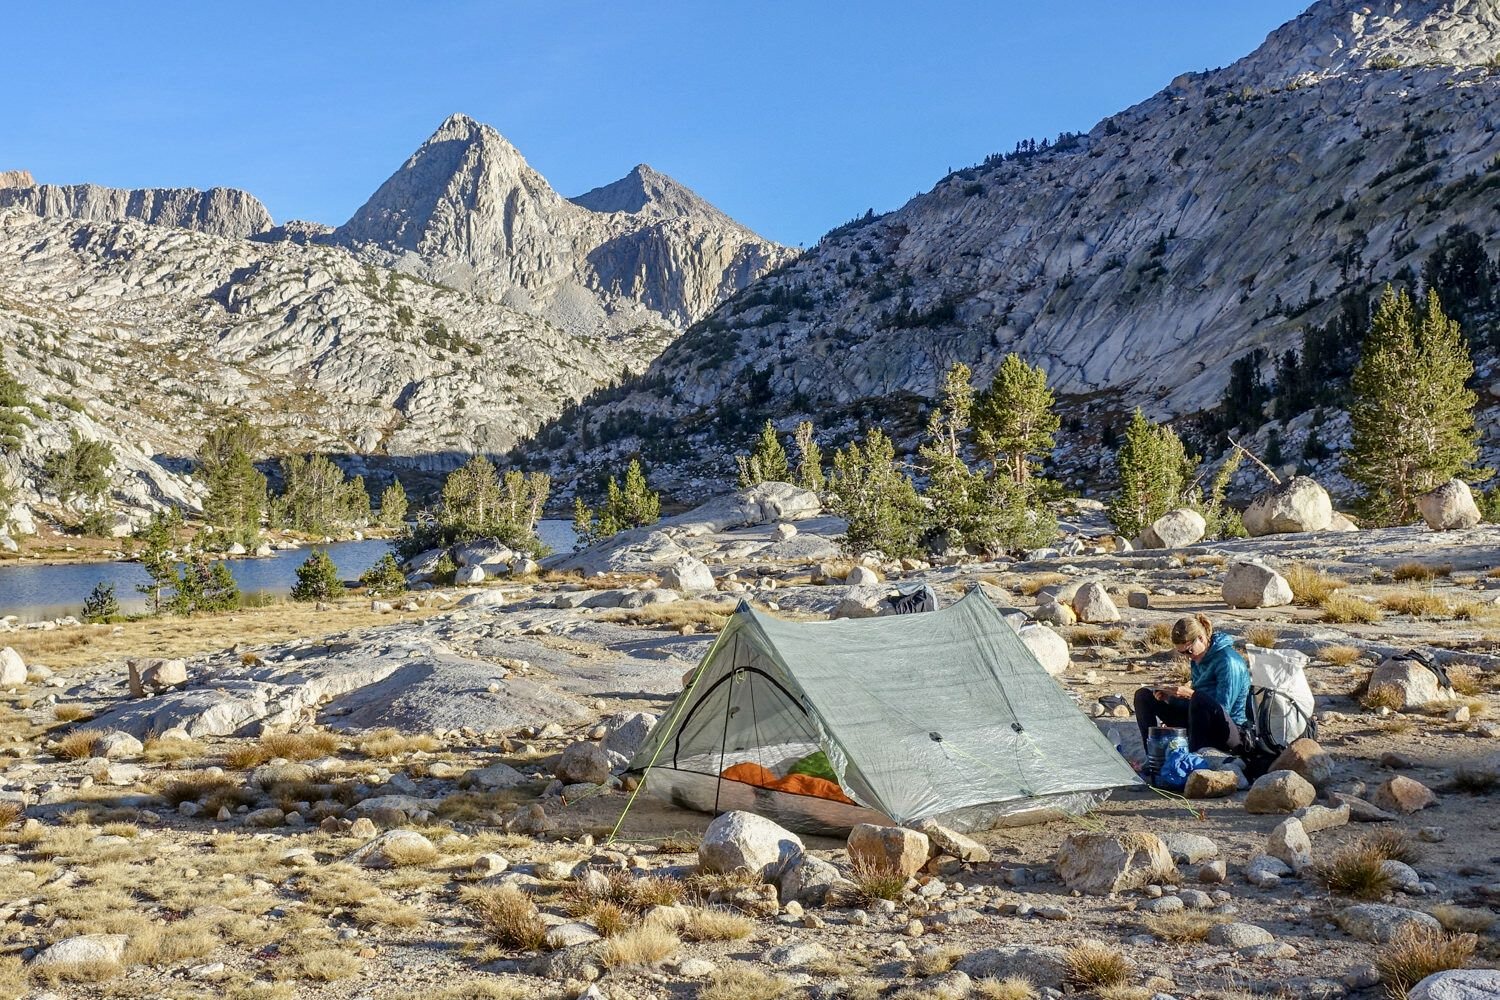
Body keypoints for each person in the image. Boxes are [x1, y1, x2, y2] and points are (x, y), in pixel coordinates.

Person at [1133, 613, 1249, 754]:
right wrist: (1170, 698)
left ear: (1201, 638)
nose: (1188, 657)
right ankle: (1152, 755)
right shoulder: (1197, 658)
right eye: (1182, 653)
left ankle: (1194, 759)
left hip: (1230, 730)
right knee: (1144, 695)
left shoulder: (1228, 661)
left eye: (1189, 651)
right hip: (1198, 721)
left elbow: (1222, 710)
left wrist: (1191, 695)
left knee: (1198, 701)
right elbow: (1195, 705)